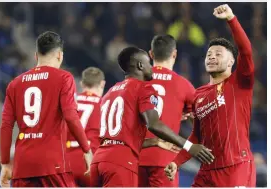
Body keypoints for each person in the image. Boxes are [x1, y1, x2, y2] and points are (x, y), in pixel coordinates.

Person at [90, 46, 214, 187]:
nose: (151, 67)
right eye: (148, 63)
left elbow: (120, 135)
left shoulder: (110, 92)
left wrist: (154, 141)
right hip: (121, 161)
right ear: (140, 65)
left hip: (99, 160)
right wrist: (188, 146)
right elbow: (153, 124)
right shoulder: (143, 87)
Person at [165, 4, 256, 187]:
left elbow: (245, 50)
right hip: (207, 172)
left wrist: (231, 19)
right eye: (209, 54)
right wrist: (176, 162)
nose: (212, 57)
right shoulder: (198, 95)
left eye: (218, 54)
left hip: (236, 166)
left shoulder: (239, 83)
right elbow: (197, 137)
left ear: (232, 61)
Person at [0, 31, 92, 187]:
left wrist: (5, 163)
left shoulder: (14, 84)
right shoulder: (64, 78)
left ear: (36, 56)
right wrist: (86, 149)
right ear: (59, 55)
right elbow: (70, 116)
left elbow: (6, 126)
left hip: (23, 165)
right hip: (52, 165)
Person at [138, 34, 196, 187]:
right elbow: (200, 122)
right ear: (174, 54)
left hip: (135, 157)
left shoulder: (135, 82)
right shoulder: (184, 85)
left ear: (151, 54)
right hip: (165, 160)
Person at [66, 67, 105, 187]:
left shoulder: (69, 102)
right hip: (91, 162)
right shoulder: (104, 104)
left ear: (82, 83)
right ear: (102, 84)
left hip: (67, 162)